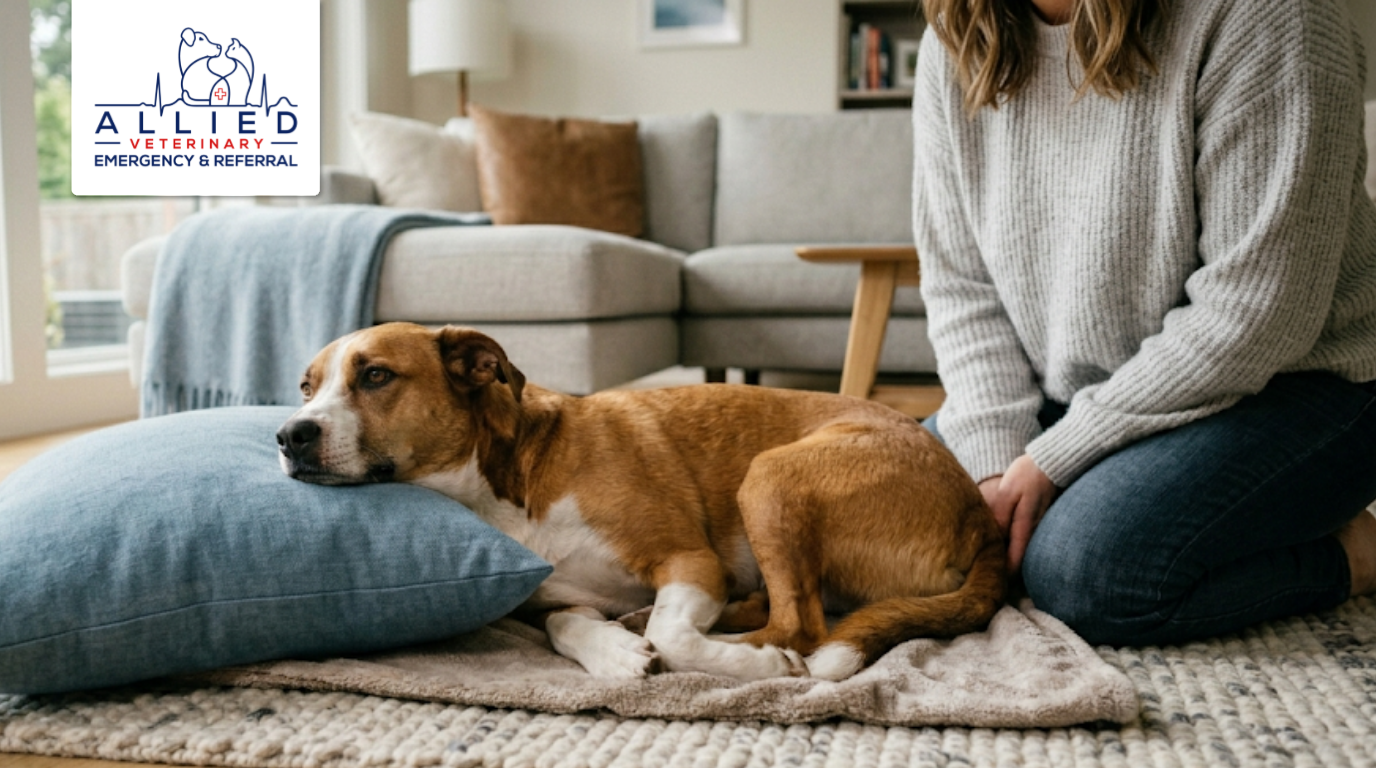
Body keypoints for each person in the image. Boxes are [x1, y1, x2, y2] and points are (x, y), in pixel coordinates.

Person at [912, 0, 1376, 646]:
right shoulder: (953, 45)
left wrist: (1054, 459)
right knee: (892, 513)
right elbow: (961, 284)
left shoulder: (1273, 15)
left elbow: (1256, 313)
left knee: (1081, 571)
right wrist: (995, 460)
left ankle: (1352, 554)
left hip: (1299, 388)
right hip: (1083, 393)